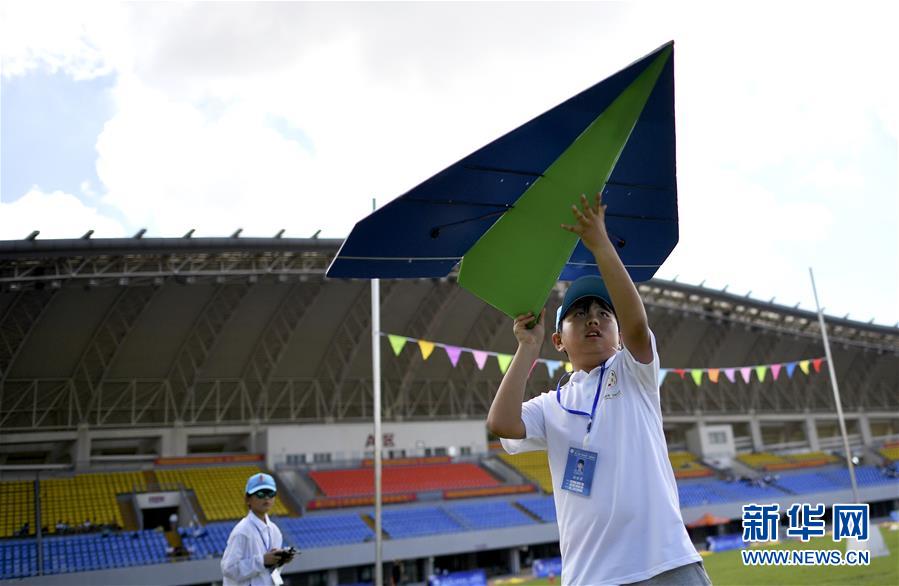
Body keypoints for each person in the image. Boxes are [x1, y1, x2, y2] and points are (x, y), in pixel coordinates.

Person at [487, 193, 712, 585]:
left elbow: (639, 327)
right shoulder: (551, 405)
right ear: (559, 340)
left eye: (604, 313)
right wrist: (526, 348)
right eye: (579, 313)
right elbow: (502, 423)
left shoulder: (633, 372)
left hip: (667, 563)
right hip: (592, 576)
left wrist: (600, 243)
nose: (593, 319)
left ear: (619, 334)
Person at [221, 472, 296, 585]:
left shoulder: (275, 530)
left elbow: (271, 572)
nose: (266, 498)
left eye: (270, 493)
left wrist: (280, 561)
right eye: (260, 494)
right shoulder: (242, 531)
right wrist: (262, 561)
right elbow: (228, 569)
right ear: (248, 499)